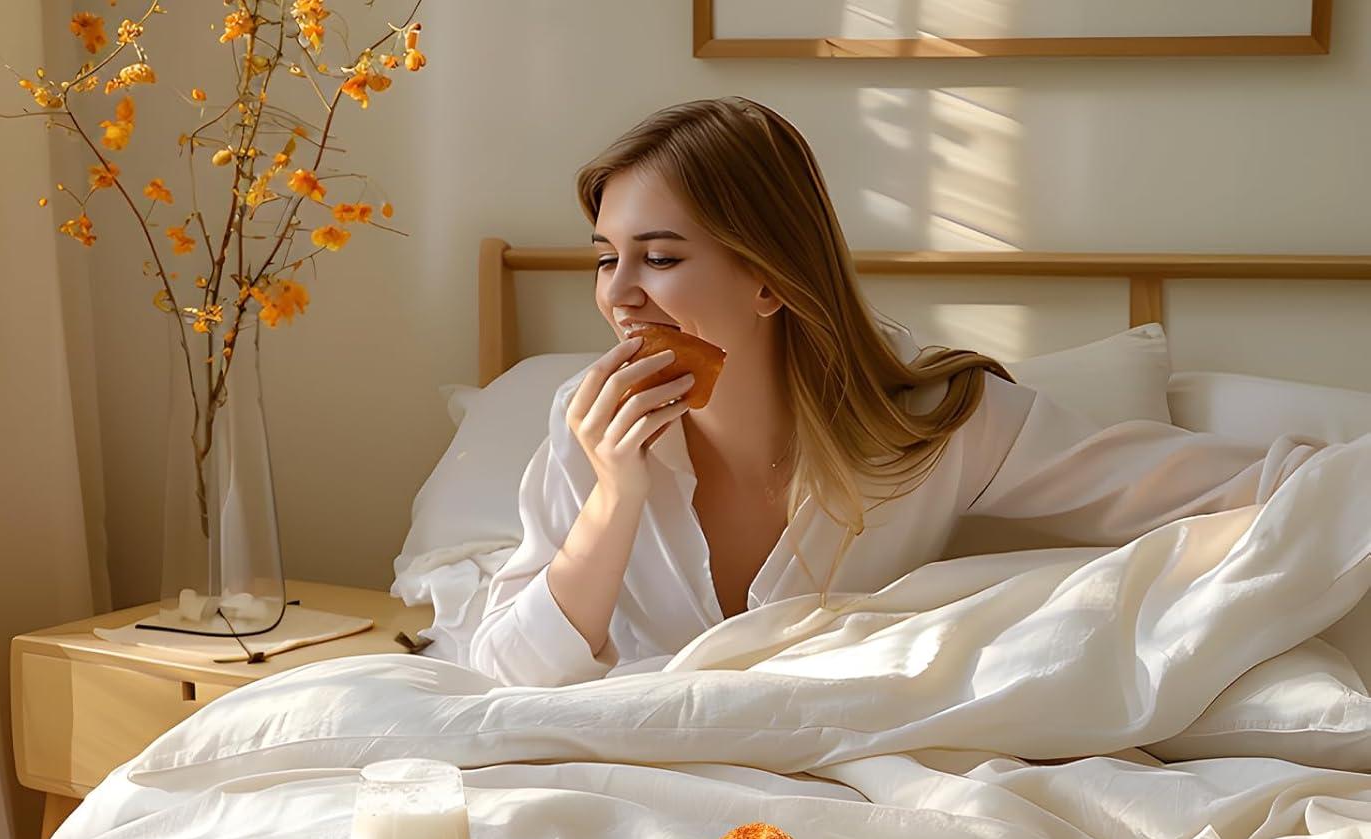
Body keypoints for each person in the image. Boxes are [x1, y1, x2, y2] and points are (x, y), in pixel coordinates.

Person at [469, 97, 1323, 688]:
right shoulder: (591, 425)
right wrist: (613, 499)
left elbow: (1219, 489)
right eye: (604, 256)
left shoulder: (935, 425)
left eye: (659, 258)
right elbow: (506, 672)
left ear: (770, 280)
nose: (617, 294)